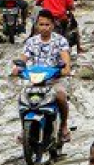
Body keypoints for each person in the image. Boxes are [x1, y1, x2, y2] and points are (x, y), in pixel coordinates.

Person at [19, 10, 72, 143]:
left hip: (54, 79)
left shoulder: (60, 41)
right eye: (41, 24)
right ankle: (23, 128)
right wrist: (18, 68)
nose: (44, 27)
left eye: (47, 24)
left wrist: (66, 68)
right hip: (34, 80)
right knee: (22, 99)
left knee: (60, 97)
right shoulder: (31, 41)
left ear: (53, 25)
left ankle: (64, 126)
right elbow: (23, 59)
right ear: (37, 25)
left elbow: (65, 58)